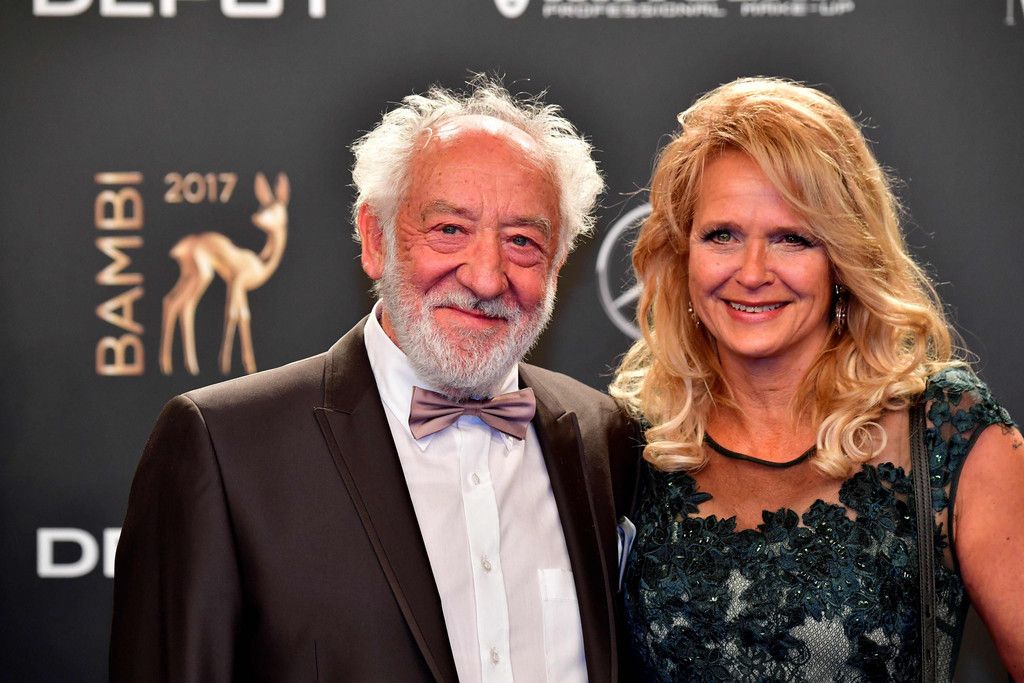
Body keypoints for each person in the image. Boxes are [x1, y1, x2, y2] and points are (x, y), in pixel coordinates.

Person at [110, 78, 637, 682]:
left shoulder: (603, 438)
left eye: (522, 241)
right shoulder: (225, 447)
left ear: (558, 263)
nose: (486, 278)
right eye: (449, 230)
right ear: (374, 238)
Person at [611, 77, 1024, 681]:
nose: (753, 272)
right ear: (683, 254)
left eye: (792, 239)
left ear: (843, 258)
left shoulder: (945, 429)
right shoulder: (628, 440)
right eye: (723, 235)